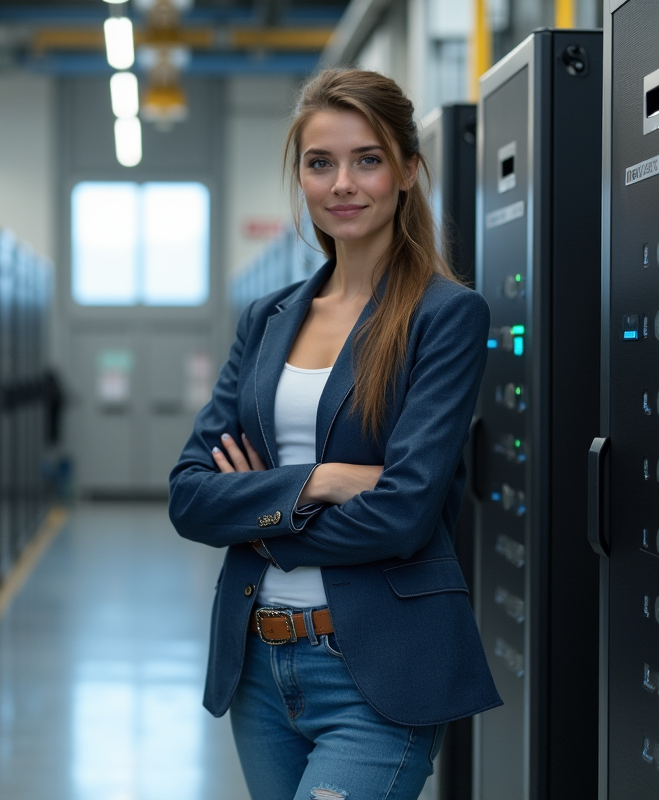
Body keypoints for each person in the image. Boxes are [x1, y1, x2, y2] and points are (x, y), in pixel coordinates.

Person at [168, 68, 501, 800]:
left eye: (367, 160)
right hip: (259, 663)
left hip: (377, 667)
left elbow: (405, 514)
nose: (342, 183)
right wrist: (319, 481)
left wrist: (255, 520)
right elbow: (190, 495)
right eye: (321, 163)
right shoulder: (266, 318)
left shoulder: (445, 317)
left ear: (408, 170)